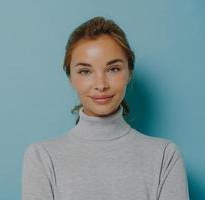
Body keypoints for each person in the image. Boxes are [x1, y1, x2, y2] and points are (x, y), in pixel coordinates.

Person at [21, 16, 190, 200]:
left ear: (129, 73)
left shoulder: (165, 156)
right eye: (85, 71)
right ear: (71, 78)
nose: (101, 85)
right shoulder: (42, 157)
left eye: (113, 69)